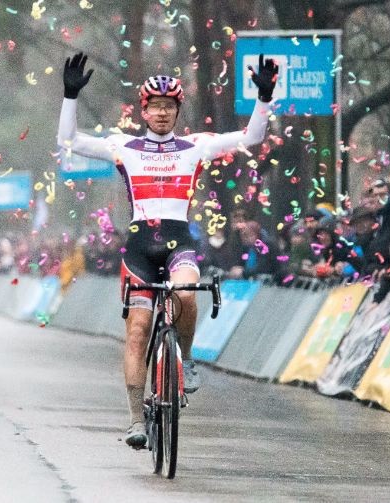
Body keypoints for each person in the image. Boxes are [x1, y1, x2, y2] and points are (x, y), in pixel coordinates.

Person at [57, 51, 277, 447]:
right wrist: (70, 96)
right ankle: (135, 420)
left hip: (179, 243)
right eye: (155, 106)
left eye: (169, 106)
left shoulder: (195, 146)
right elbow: (69, 140)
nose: (161, 113)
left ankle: (187, 360)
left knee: (185, 296)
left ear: (178, 111)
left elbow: (251, 138)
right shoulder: (123, 146)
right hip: (140, 246)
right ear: (144, 110)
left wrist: (264, 99)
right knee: (138, 331)